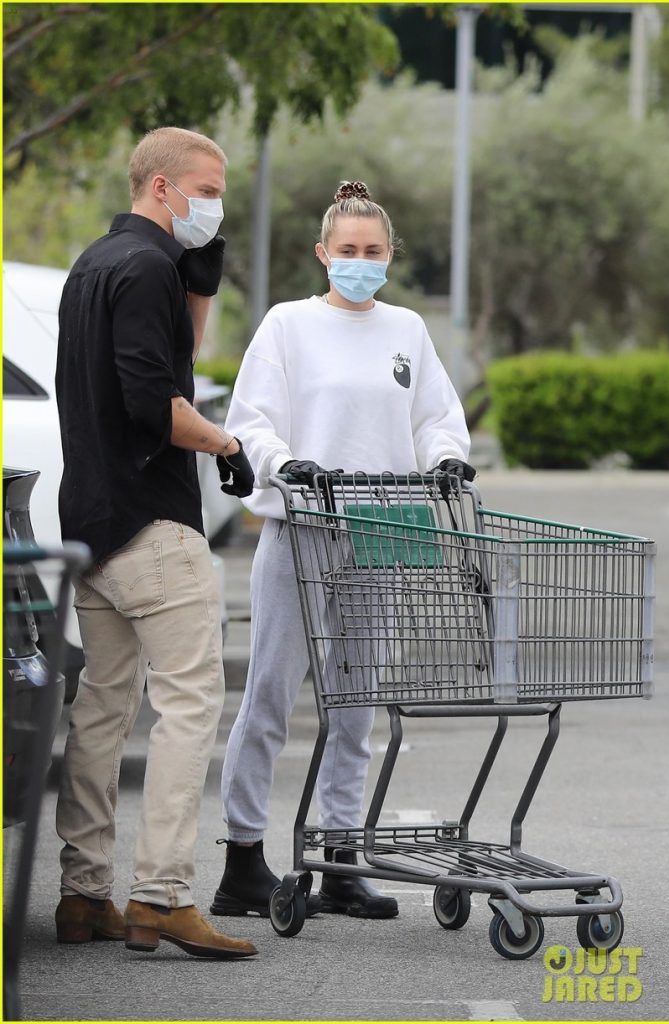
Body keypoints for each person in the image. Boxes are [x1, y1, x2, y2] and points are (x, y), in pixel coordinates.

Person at [210, 180, 474, 921]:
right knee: (270, 692)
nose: (361, 260)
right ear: (323, 254)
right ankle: (241, 856)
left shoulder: (407, 329)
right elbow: (253, 418)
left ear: (390, 255)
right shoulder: (288, 325)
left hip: (389, 524)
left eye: (373, 250)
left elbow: (434, 415)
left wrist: (447, 457)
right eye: (348, 249)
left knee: (357, 701)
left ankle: (341, 861)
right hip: (305, 524)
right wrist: (280, 461)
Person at [54, 126, 257, 960]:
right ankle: (162, 895)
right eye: (205, 190)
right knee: (189, 702)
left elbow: (172, 364)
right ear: (161, 186)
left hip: (91, 524)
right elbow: (155, 401)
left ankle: (83, 894)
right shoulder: (143, 269)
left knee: (102, 709)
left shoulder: (98, 264)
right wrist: (226, 444)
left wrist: (197, 281)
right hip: (151, 521)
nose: (215, 206)